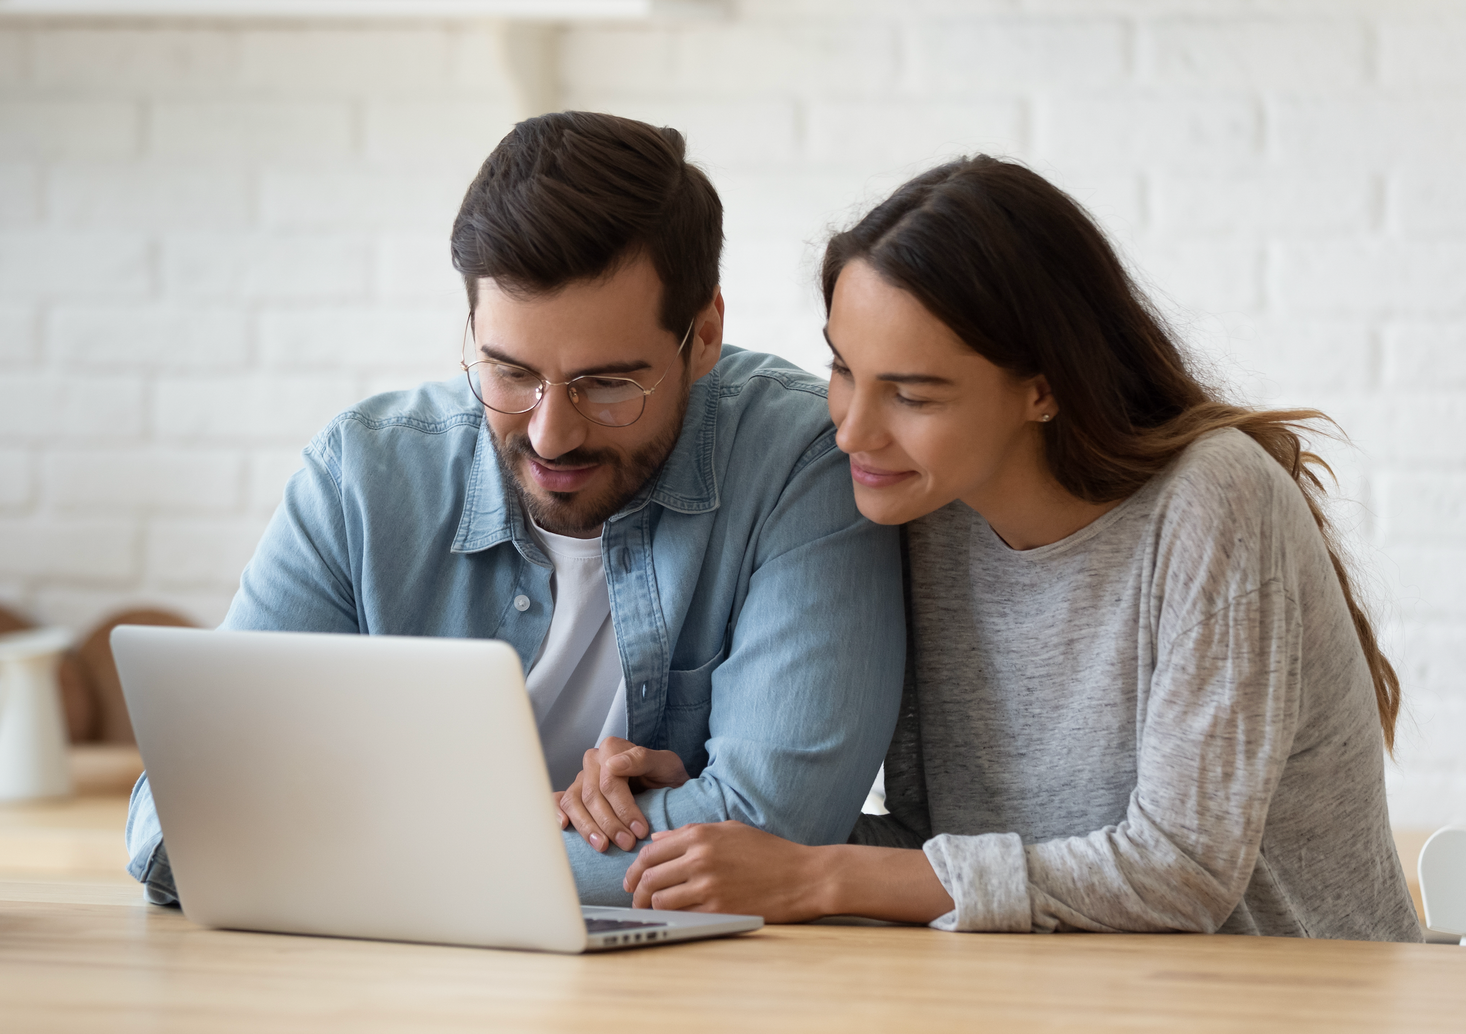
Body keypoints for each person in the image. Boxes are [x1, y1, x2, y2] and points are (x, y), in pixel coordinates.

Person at [617, 156, 1423, 942]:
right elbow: (956, 861)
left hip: (1294, 1011)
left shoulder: (1213, 501)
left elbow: (1181, 873)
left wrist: (819, 876)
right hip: (1067, 1005)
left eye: (912, 393)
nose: (851, 429)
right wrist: (720, 831)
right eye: (843, 368)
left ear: (1043, 387)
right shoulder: (928, 511)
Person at [126, 112, 905, 907]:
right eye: (508, 373)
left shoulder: (801, 462)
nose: (551, 434)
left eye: (606, 385)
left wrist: (355, 847)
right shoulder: (362, 476)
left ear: (702, 336)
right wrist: (542, 834)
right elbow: (179, 823)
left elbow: (775, 830)